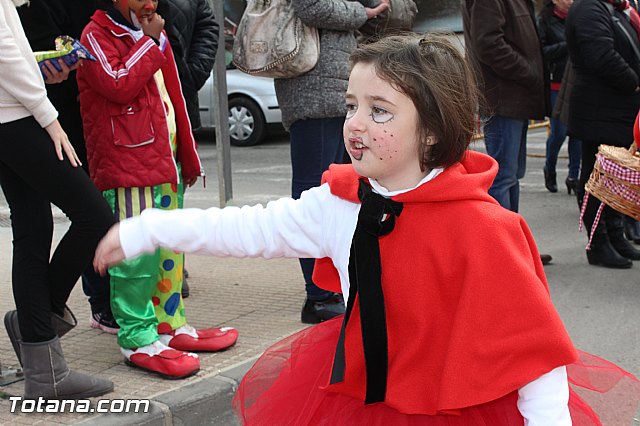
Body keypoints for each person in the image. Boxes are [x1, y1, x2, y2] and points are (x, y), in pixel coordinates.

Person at [93, 34, 639, 425]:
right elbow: (250, 229)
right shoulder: (339, 203)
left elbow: (533, 356)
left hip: (459, 405)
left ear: (432, 131)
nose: (354, 124)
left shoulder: (487, 229)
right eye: (352, 105)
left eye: (380, 111)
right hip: (363, 395)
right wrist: (151, 228)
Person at [76, 0, 238, 379]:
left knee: (170, 247)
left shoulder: (154, 33)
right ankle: (137, 337)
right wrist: (149, 42)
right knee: (136, 256)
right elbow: (118, 84)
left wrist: (187, 154)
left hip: (165, 162)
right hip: (128, 165)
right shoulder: (96, 35)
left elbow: (174, 98)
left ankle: (169, 325)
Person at [0, 0, 114, 399]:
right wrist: (51, 121)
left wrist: (41, 68)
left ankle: (41, 360)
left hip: (9, 119)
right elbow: (7, 59)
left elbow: (12, 59)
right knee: (95, 215)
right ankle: (38, 328)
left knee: (33, 230)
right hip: (15, 120)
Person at [277, 0, 390, 324]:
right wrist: (362, 13)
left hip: (332, 84)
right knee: (313, 192)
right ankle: (318, 295)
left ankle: (335, 285)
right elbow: (311, 6)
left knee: (343, 190)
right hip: (314, 86)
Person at [462, 0, 554, 265]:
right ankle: (504, 252)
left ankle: (514, 246)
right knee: (502, 178)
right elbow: (488, 43)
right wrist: (527, 72)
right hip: (504, 99)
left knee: (511, 176)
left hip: (515, 99)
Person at [565, 0, 640, 268]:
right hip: (599, 109)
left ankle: (616, 237)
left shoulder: (610, 7)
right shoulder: (588, 7)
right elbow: (600, 55)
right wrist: (634, 82)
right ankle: (597, 244)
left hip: (612, 110)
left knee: (611, 178)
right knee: (596, 179)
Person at [156, 0, 219, 299]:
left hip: (177, 103)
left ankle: (171, 270)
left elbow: (208, 24)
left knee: (173, 191)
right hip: (131, 109)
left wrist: (192, 73)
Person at [537, 0, 583, 194]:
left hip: (577, 84)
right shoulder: (545, 21)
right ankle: (550, 168)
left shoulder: (579, 17)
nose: (571, 1)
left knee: (578, 134)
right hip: (556, 84)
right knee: (559, 132)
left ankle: (573, 176)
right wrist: (567, 46)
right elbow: (541, 53)